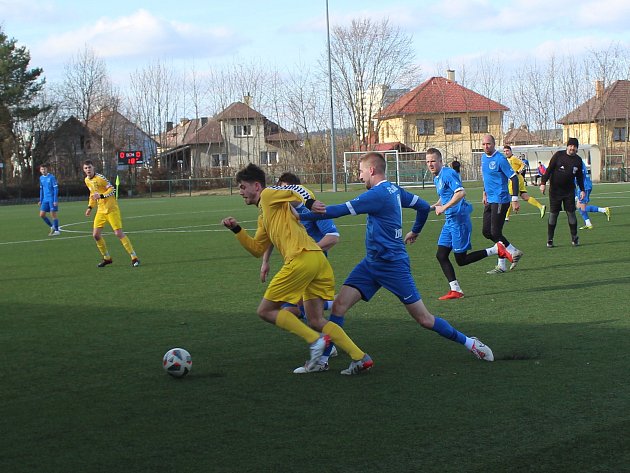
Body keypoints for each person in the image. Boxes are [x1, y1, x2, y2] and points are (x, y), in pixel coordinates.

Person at [299, 152, 494, 371]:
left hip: (393, 266)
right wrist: (416, 231)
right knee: (339, 306)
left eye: (361, 171)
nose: (359, 176)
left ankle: (471, 343)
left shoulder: (378, 194)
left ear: (372, 170)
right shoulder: (393, 189)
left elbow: (335, 211)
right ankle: (323, 361)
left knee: (425, 320)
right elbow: (422, 207)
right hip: (371, 263)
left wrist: (297, 215)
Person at [221, 163, 371, 375]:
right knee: (316, 319)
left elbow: (297, 190)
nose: (240, 191)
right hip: (317, 261)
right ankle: (360, 357)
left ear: (256, 186)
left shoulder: (269, 194)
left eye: (242, 187)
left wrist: (309, 203)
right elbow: (257, 249)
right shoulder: (264, 214)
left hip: (301, 259)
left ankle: (315, 340)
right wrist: (237, 230)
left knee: (265, 310)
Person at [426, 148, 513, 300]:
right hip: (450, 221)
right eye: (428, 162)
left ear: (440, 161)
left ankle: (496, 249)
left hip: (459, 220)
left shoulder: (447, 173)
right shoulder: (437, 177)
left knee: (461, 260)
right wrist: (434, 206)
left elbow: (461, 193)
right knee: (441, 255)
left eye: (433, 161)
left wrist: (444, 208)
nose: (430, 164)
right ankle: (456, 290)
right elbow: (445, 196)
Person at [260, 172, 339, 319]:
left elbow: (333, 237)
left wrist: (310, 250)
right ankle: (329, 305)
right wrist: (265, 261)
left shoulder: (313, 208)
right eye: (281, 191)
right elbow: (271, 235)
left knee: (303, 314)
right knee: (293, 311)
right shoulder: (280, 209)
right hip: (296, 265)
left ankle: (331, 309)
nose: (283, 194)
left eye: (287, 190)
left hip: (313, 267)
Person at [82, 160, 140, 267]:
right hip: (100, 211)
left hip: (111, 209)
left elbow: (112, 190)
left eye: (89, 167)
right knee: (96, 235)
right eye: (86, 168)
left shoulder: (100, 178)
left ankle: (134, 257)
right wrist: (90, 207)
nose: (88, 170)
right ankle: (107, 258)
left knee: (118, 233)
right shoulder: (87, 180)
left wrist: (102, 196)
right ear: (83, 169)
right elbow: (92, 194)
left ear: (93, 168)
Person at [481, 135, 524, 273]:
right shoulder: (483, 158)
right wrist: (484, 192)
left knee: (495, 232)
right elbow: (486, 177)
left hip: (501, 199)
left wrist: (515, 199)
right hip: (490, 199)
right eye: (483, 144)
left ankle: (503, 263)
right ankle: (512, 251)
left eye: (488, 144)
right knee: (486, 232)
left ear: (494, 144)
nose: (486, 146)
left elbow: (514, 178)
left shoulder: (500, 159)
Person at [540, 138, 585, 247]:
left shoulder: (578, 160)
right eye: (571, 146)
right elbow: (549, 169)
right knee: (553, 214)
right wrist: (543, 183)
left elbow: (579, 177)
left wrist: (582, 189)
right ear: (567, 146)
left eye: (574, 147)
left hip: (569, 191)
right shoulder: (558, 155)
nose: (572, 148)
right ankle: (550, 240)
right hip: (555, 191)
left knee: (571, 213)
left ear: (577, 149)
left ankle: (574, 238)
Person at [503, 145, 546, 221]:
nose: (506, 153)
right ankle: (541, 207)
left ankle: (506, 216)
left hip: (516, 180)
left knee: (510, 198)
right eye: (504, 151)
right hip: (518, 179)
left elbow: (523, 165)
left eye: (507, 151)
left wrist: (518, 171)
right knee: (525, 196)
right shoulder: (507, 159)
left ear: (510, 151)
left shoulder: (513, 158)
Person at [576, 159, 611, 229]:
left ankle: (604, 210)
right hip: (583, 186)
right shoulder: (578, 162)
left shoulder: (577, 162)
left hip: (584, 187)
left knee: (582, 208)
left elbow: (579, 175)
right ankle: (588, 223)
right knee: (579, 206)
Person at [38, 163, 60, 236]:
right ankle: (52, 226)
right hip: (45, 199)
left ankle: (57, 231)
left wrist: (55, 200)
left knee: (53, 214)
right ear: (40, 170)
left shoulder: (51, 177)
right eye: (42, 169)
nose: (43, 170)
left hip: (51, 198)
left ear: (47, 169)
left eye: (44, 169)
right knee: (42, 215)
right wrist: (41, 200)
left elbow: (56, 189)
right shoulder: (41, 178)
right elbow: (41, 189)